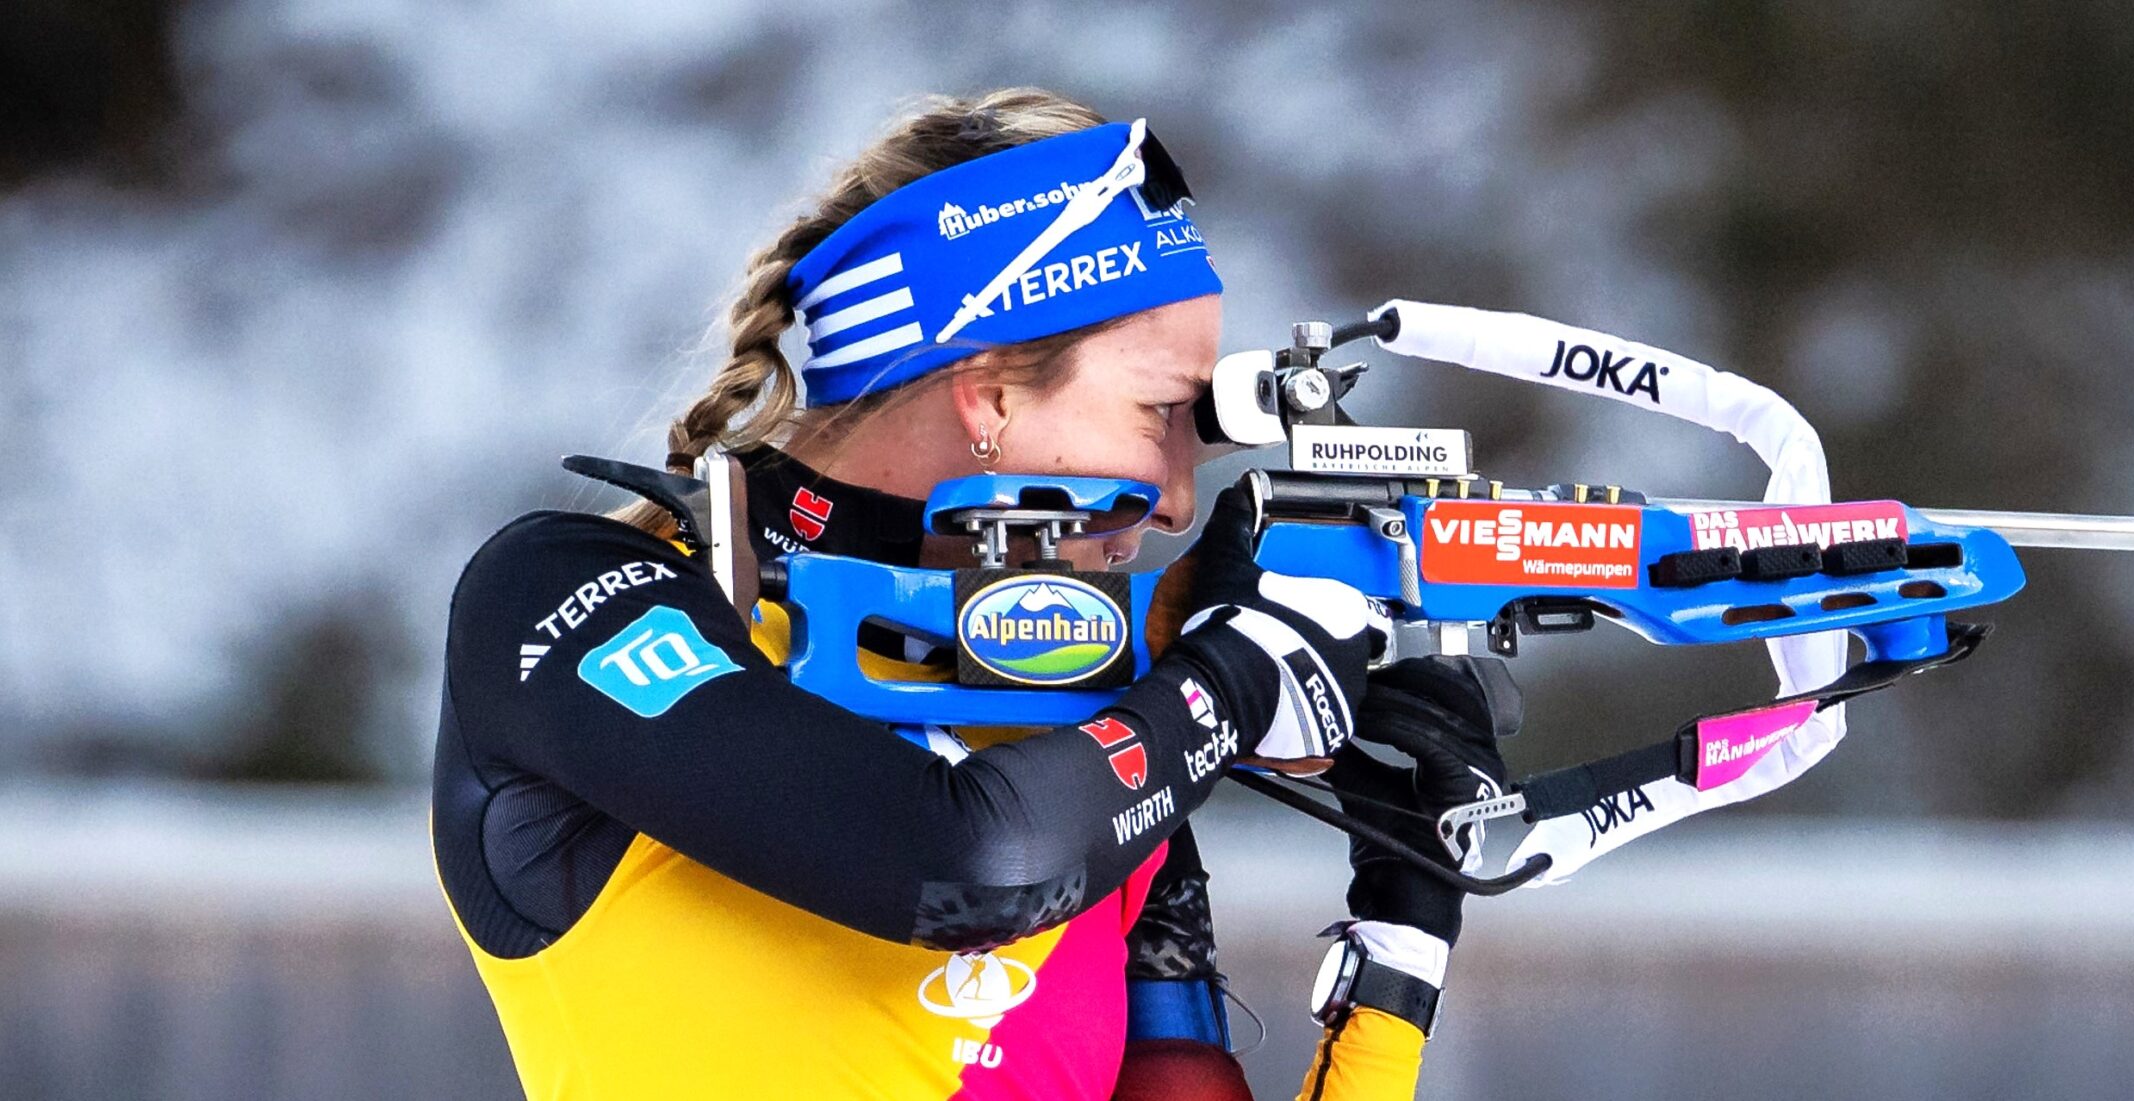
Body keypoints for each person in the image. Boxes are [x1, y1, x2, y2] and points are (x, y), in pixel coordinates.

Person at [431, 88, 1515, 1101]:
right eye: (1159, 415)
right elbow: (965, 866)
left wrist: (1401, 942)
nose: (1181, 501)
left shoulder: (1084, 723)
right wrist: (1227, 685)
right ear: (989, 396)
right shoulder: (566, 591)